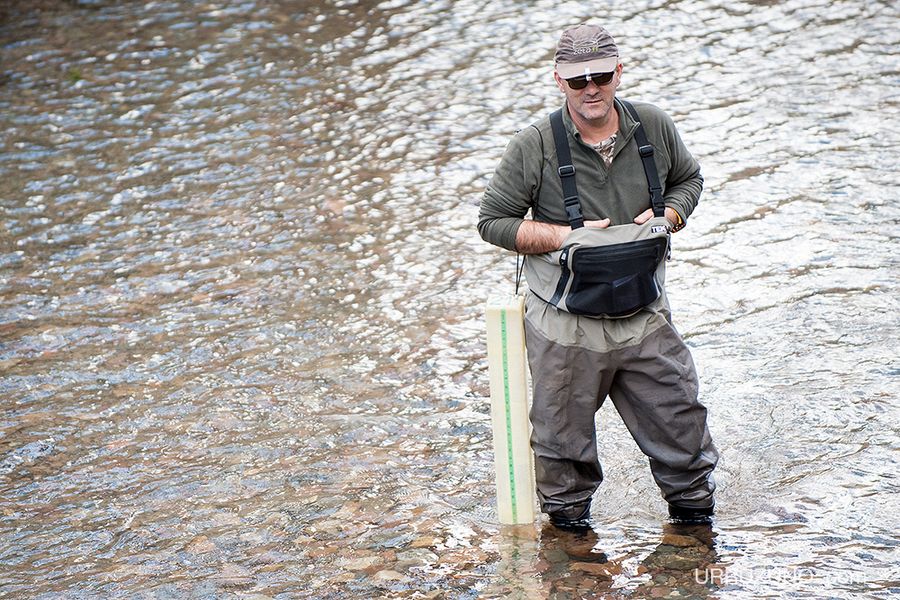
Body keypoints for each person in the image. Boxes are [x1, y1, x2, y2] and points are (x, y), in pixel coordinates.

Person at [478, 23, 718, 529]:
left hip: (646, 317)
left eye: (601, 76)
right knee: (562, 464)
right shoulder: (534, 145)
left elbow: (689, 180)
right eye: (577, 79)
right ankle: (571, 556)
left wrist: (667, 218)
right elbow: (492, 222)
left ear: (618, 73)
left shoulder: (653, 126)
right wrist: (564, 236)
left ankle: (696, 547)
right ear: (559, 81)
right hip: (565, 329)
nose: (591, 88)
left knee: (685, 442)